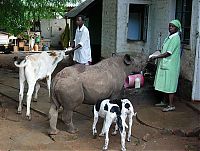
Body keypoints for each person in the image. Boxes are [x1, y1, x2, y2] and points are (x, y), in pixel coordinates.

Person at [150, 19, 181, 112]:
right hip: (165, 64)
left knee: (170, 85)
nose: (170, 28)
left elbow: (168, 53)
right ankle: (164, 101)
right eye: (169, 26)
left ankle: (171, 105)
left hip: (171, 65)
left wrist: (156, 57)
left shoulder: (175, 38)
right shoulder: (169, 37)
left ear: (177, 28)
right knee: (165, 84)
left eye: (172, 26)